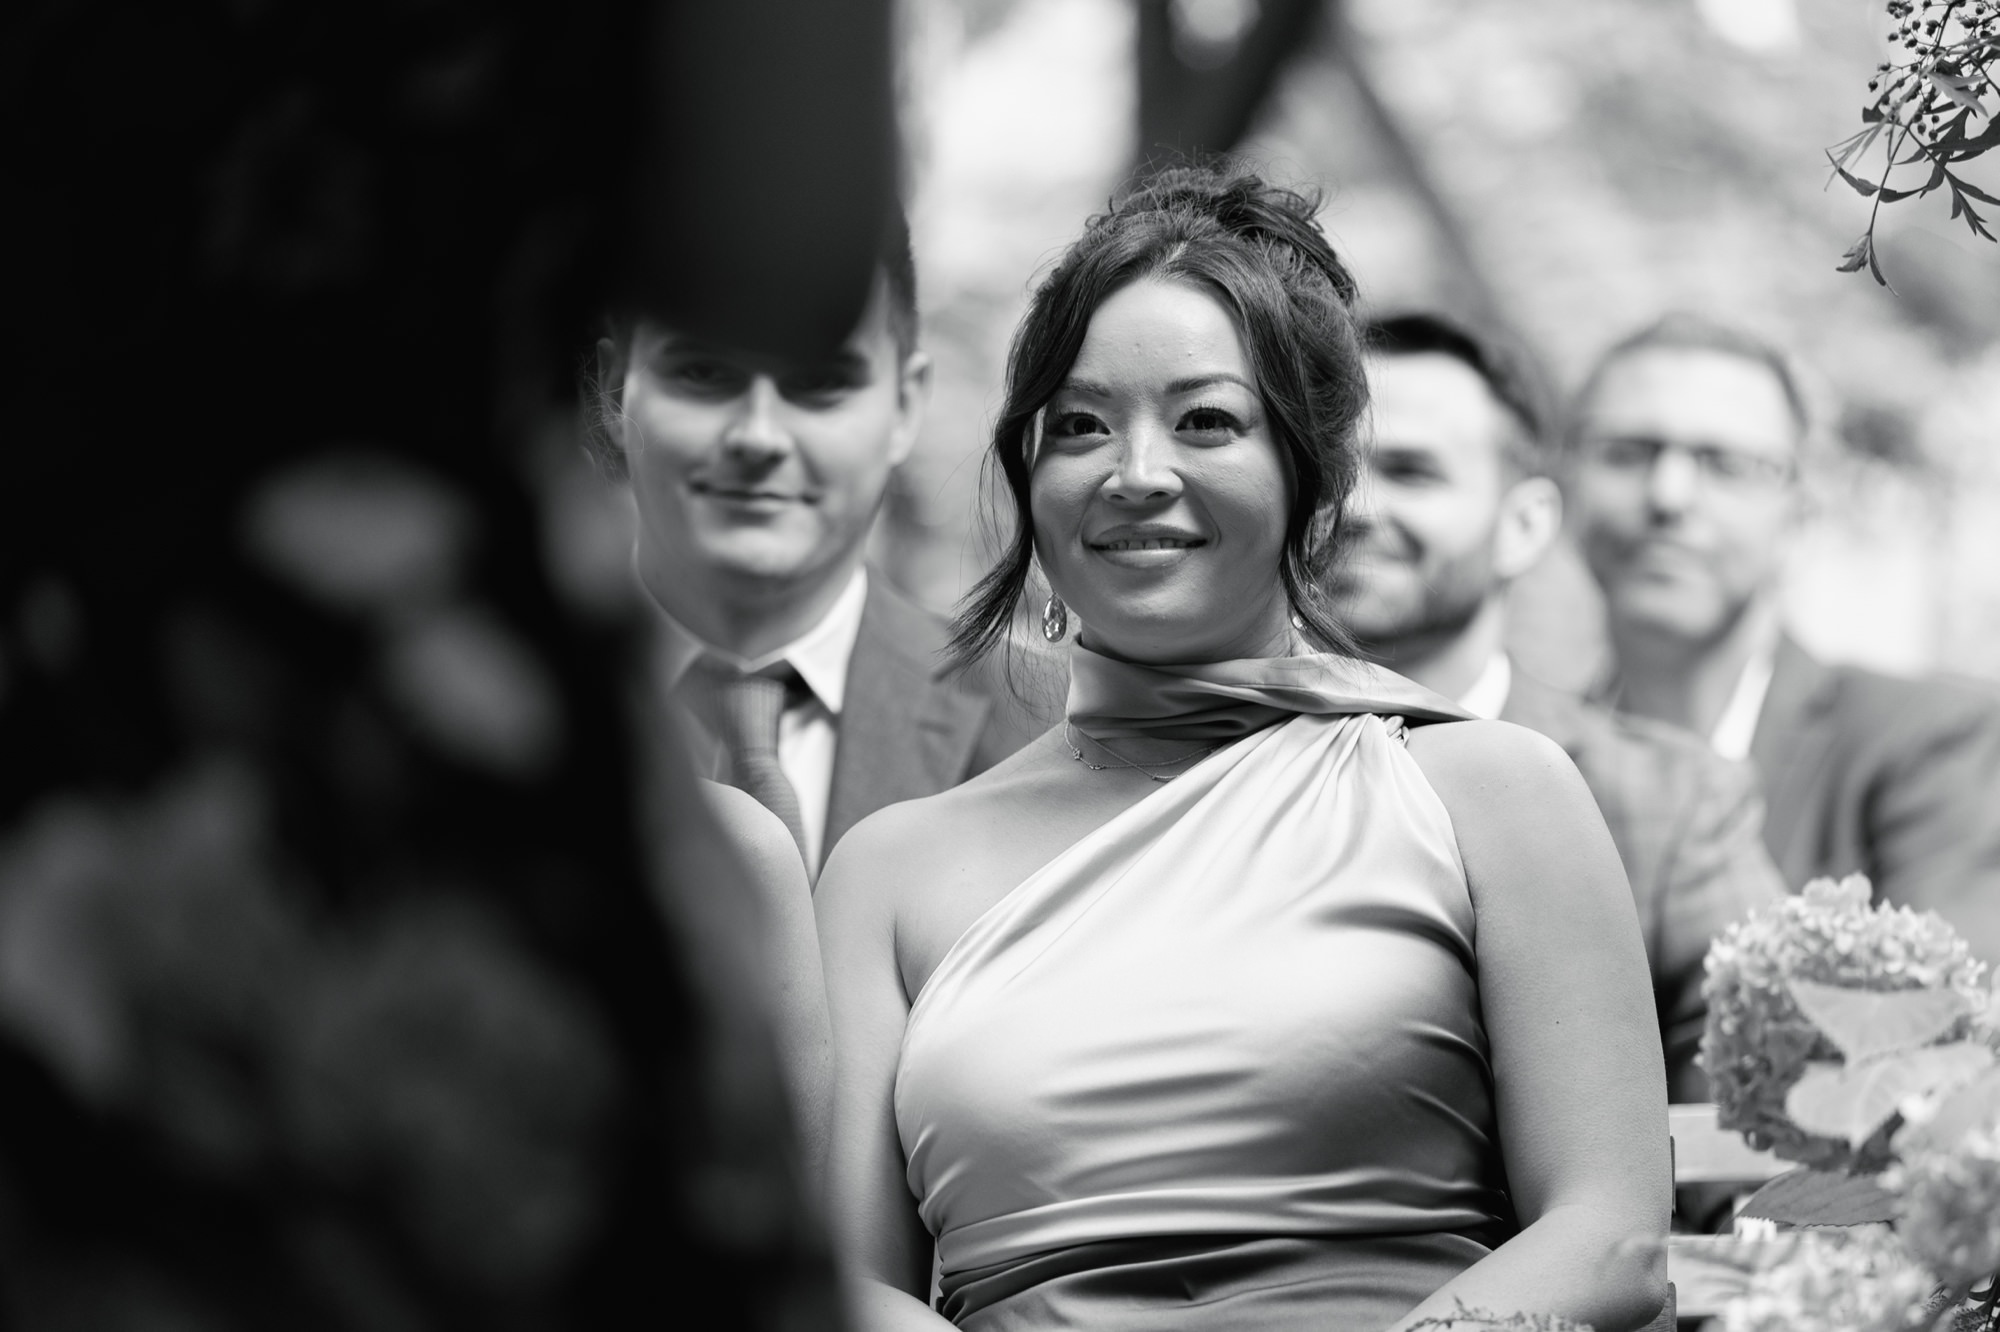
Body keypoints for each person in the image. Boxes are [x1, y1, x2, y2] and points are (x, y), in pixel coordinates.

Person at [817, 167, 1669, 1332]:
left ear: (1310, 473)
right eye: (1079, 425)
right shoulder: (887, 871)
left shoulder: (1490, 791)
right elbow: (832, 1287)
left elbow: (1610, 1235)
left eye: (1205, 420)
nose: (1135, 474)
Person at [1321, 312, 1784, 1104]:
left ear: (1525, 524)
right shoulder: (1195, 761)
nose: (1355, 507)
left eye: (1412, 471)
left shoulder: (1672, 804)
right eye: (1328, 472)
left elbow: (1763, 1118)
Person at [594, 209, 1033, 879]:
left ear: (905, 405)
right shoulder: (458, 711)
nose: (758, 436)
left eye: (820, 383)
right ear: (616, 391)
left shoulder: (1050, 726)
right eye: (704, 373)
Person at [1566, 314, 2000, 963]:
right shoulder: (1531, 759)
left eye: (1727, 465)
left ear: (1802, 512)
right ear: (1563, 478)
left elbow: (1947, 1008)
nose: (1668, 494)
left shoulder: (1928, 743)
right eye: (1627, 453)